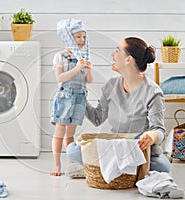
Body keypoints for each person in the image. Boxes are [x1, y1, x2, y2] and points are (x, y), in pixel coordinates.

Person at [65, 37, 171, 178]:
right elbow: (97, 118)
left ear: (129, 59)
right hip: (115, 146)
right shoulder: (111, 85)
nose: (113, 55)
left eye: (117, 51)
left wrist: (151, 136)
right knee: (72, 150)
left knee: (162, 166)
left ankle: (100, 169)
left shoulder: (153, 92)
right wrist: (79, 97)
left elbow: (159, 130)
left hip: (139, 149)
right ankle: (121, 170)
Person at [50, 18, 93, 176]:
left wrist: (88, 69)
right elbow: (60, 77)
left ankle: (72, 164)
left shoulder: (84, 56)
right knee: (59, 133)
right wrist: (77, 68)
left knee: (70, 135)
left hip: (79, 98)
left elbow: (89, 80)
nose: (82, 40)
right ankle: (56, 164)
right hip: (65, 97)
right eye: (78, 37)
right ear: (69, 37)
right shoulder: (59, 56)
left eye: (84, 37)